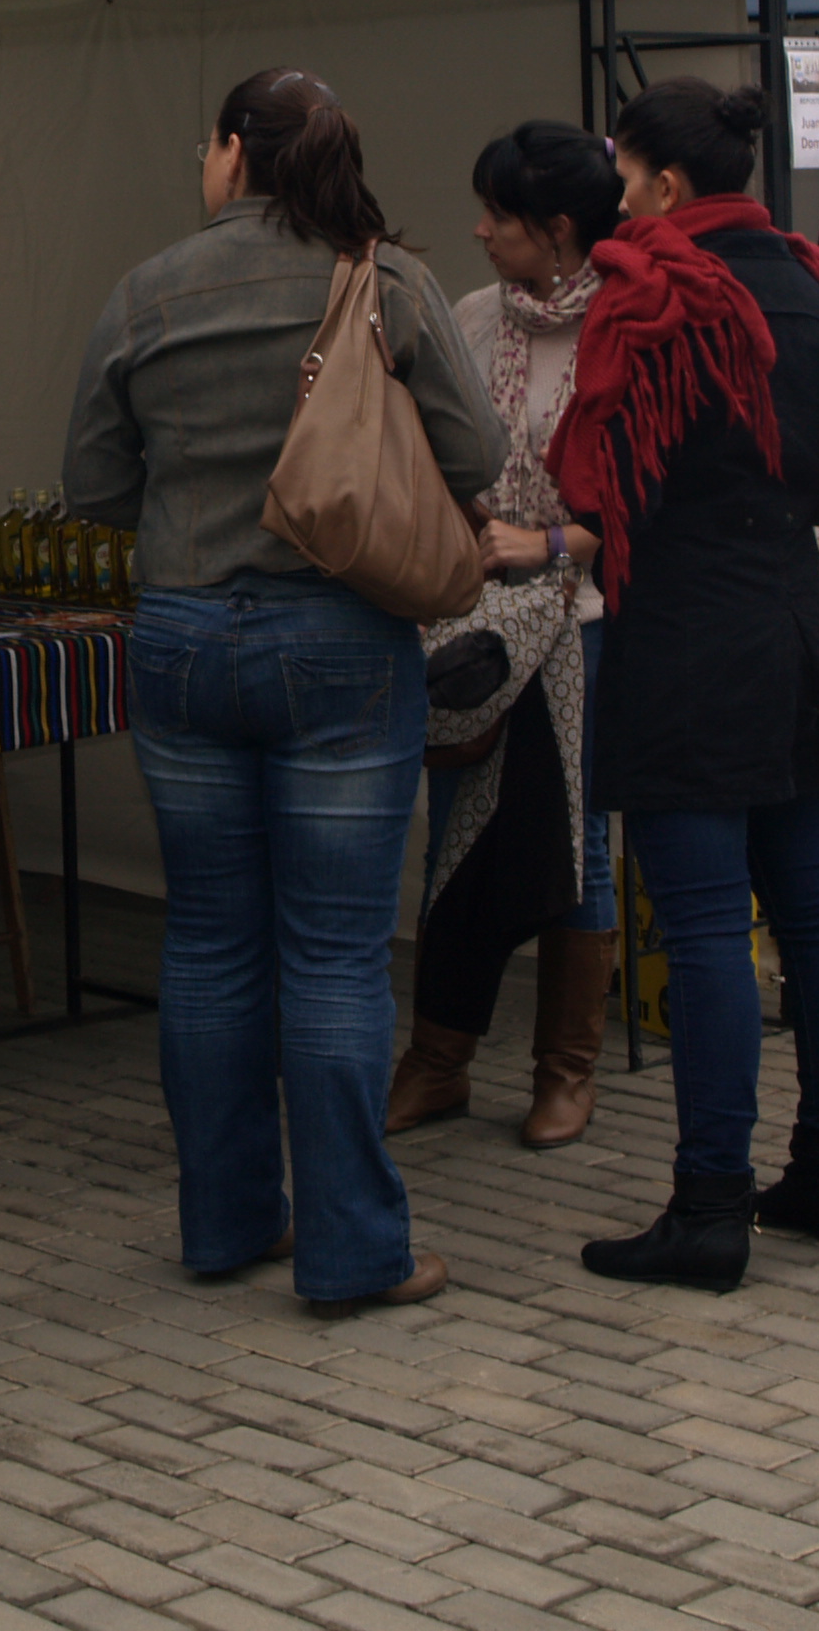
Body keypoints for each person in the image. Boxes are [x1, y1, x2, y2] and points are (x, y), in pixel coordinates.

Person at [63, 68, 500, 1313]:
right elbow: (480, 455)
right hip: (338, 644)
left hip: (187, 638)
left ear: (234, 155)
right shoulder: (388, 281)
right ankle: (355, 1251)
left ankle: (224, 1225)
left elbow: (90, 484)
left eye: (206, 145)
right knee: (333, 957)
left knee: (207, 945)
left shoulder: (146, 291)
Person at [556, 78, 819, 1287]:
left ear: (662, 182)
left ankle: (712, 1206)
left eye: (623, 172)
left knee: (712, 920)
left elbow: (593, 478)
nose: (615, 193)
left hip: (687, 639)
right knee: (813, 902)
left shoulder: (655, 291)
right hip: (795, 623)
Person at [387, 122, 621, 1149]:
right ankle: (438, 1060)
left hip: (584, 617)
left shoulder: (628, 329)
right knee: (456, 835)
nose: (479, 231)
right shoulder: (476, 320)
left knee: (580, 842)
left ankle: (566, 1071)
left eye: (500, 216)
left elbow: (647, 501)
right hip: (473, 616)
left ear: (560, 229)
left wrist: (553, 542)